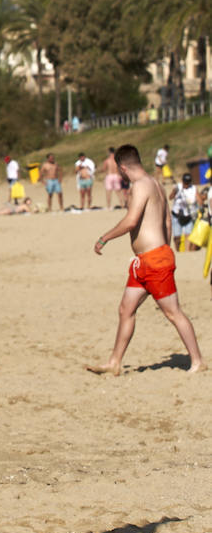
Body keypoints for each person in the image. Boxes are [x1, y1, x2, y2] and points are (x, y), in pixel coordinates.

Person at [86, 144, 204, 376]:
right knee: (125, 309)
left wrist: (104, 238)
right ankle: (115, 362)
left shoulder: (140, 186)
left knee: (173, 313)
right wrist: (164, 247)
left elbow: (131, 221)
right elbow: (167, 222)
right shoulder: (157, 184)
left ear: (122, 167)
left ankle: (198, 361)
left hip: (155, 261)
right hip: (144, 262)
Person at [171, 172, 198, 250]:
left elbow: (199, 199)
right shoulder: (178, 187)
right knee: (177, 237)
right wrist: (175, 192)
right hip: (177, 215)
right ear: (182, 181)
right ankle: (178, 251)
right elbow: (170, 197)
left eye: (188, 183)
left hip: (188, 215)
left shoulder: (193, 188)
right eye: (185, 182)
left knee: (188, 235)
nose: (186, 184)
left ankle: (187, 253)